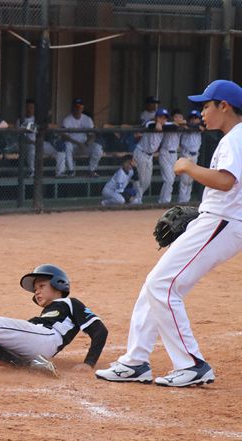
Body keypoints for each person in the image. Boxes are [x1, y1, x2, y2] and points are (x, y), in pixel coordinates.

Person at [95, 79, 242, 387]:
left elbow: (226, 181)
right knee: (155, 284)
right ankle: (135, 361)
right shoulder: (233, 137)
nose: (202, 112)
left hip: (221, 222)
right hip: (216, 221)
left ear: (224, 106)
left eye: (206, 105)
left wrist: (188, 167)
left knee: (162, 286)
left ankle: (191, 364)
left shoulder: (236, 137)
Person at [16, 98, 64, 179]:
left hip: (40, 142)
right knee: (32, 149)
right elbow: (23, 137)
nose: (29, 109)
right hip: (27, 144)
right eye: (28, 107)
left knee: (59, 150)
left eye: (32, 107)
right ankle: (32, 172)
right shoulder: (21, 120)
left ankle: (60, 172)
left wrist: (47, 127)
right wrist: (42, 128)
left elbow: (49, 127)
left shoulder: (37, 119)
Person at [58, 98, 103, 178]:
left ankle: (91, 170)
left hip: (84, 145)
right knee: (67, 145)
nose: (78, 109)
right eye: (76, 107)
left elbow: (92, 135)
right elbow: (63, 136)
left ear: (82, 108)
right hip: (72, 145)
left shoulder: (87, 119)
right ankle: (71, 171)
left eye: (80, 107)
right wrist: (78, 143)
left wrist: (86, 144)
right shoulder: (67, 119)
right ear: (72, 108)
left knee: (98, 148)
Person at [132, 108, 168, 203]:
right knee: (140, 178)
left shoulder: (166, 126)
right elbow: (148, 124)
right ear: (156, 118)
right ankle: (136, 200)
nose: (162, 120)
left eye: (164, 118)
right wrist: (156, 123)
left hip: (149, 156)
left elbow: (176, 125)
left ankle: (133, 196)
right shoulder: (150, 123)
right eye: (160, 117)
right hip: (141, 153)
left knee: (147, 181)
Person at [177, 109, 204, 203]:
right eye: (192, 118)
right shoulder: (184, 126)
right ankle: (182, 201)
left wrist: (192, 125)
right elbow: (181, 123)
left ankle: (187, 201)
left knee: (190, 180)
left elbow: (202, 128)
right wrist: (186, 124)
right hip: (186, 154)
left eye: (195, 118)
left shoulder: (200, 127)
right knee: (184, 180)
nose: (193, 120)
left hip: (195, 155)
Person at [157, 108, 183, 203]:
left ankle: (164, 200)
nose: (178, 119)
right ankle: (164, 201)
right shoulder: (168, 124)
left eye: (180, 117)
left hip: (174, 154)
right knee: (169, 179)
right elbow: (164, 126)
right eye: (176, 117)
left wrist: (183, 123)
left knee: (171, 179)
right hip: (165, 153)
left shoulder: (182, 126)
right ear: (172, 118)